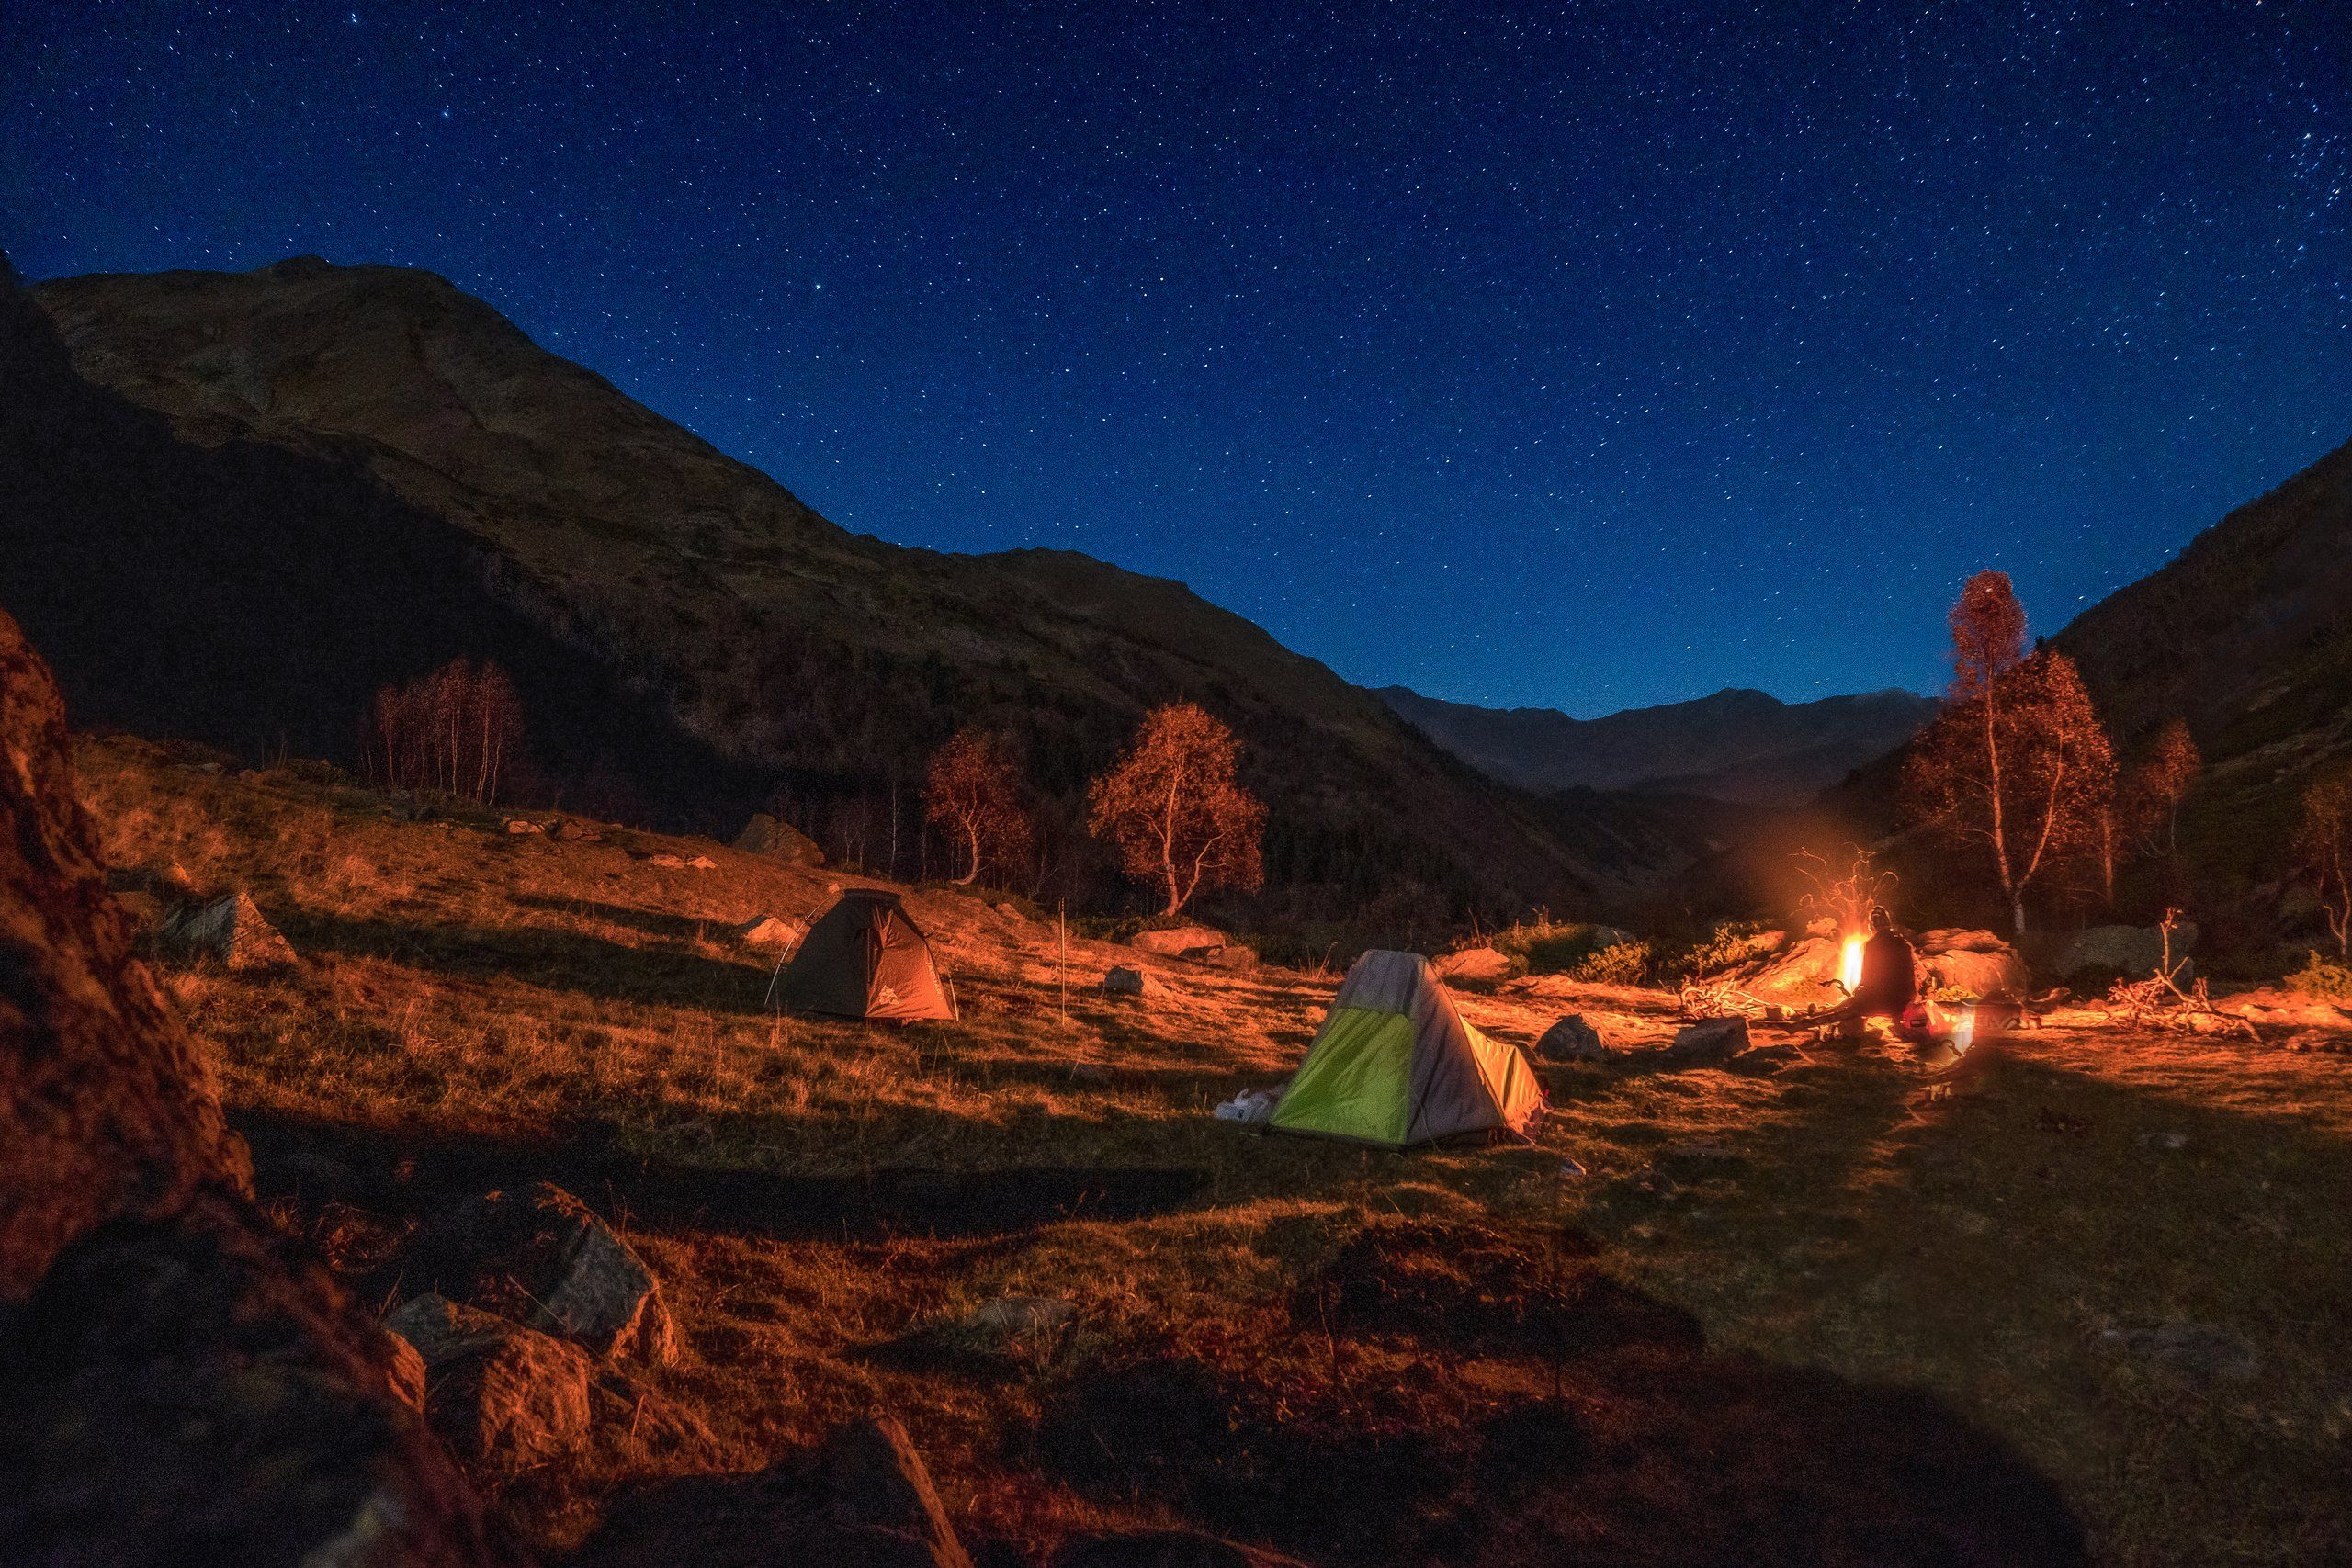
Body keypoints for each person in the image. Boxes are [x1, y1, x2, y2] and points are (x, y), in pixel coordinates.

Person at [1816, 905, 1917, 1033]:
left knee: (1855, 1002)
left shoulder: (1871, 945)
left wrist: (1858, 990)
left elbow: (1867, 977)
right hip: (1906, 999)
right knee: (1856, 999)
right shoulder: (1903, 942)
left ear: (1872, 926)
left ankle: (1816, 1017)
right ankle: (1896, 1020)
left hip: (1884, 1001)